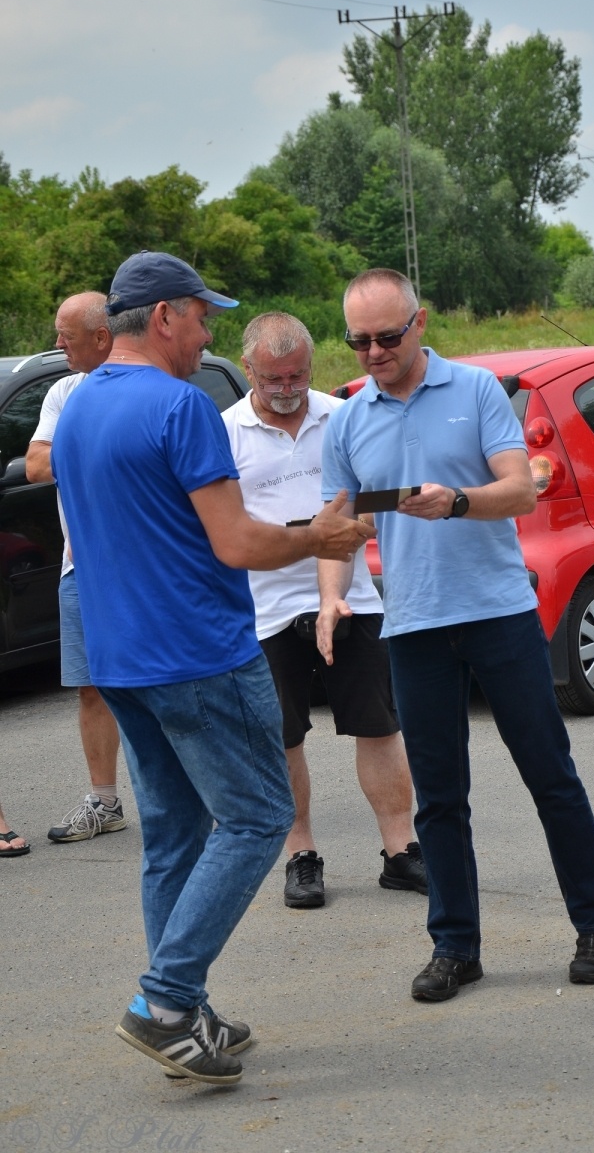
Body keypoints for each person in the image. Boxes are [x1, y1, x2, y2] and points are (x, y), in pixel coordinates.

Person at [51, 251, 374, 1084]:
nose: (208, 332)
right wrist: (321, 538)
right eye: (202, 316)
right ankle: (164, 999)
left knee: (174, 834)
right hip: (195, 652)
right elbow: (237, 543)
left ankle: (180, 1018)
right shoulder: (183, 406)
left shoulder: (81, 403)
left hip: (120, 656)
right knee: (262, 818)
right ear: (163, 316)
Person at [318, 268, 594, 1003]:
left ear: (419, 324)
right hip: (414, 623)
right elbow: (338, 527)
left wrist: (455, 502)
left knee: (549, 774)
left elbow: (521, 489)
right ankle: (454, 946)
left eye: (386, 337)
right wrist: (330, 598)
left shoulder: (476, 393)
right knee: (439, 799)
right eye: (358, 341)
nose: (372, 353)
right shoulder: (349, 420)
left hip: (496, 615)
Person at [222, 312, 426, 909]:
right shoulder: (223, 431)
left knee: (380, 726)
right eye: (272, 378)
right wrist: (294, 536)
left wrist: (348, 525)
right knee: (282, 737)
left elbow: (380, 497)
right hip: (263, 609)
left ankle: (401, 850)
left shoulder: (342, 416)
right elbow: (219, 525)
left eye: (298, 375)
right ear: (247, 370)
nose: (287, 388)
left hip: (351, 597)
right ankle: (301, 854)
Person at [26, 293, 125, 843]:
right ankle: (105, 802)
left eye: (66, 334)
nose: (58, 344)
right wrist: (100, 445)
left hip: (140, 570)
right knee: (92, 689)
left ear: (102, 336)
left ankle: (186, 797)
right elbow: (38, 465)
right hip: (78, 568)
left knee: (160, 684)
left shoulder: (146, 382)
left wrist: (77, 444)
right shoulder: (64, 390)